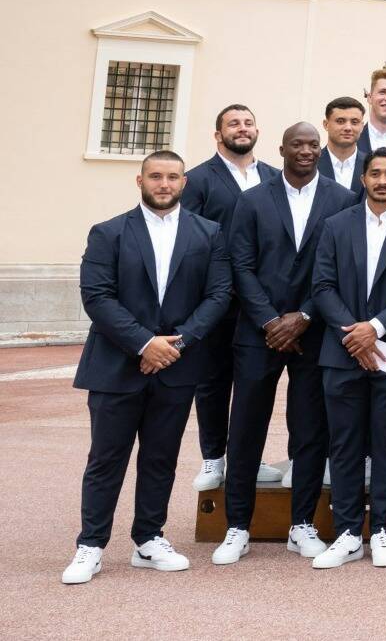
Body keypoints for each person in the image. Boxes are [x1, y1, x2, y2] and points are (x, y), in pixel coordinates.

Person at [61, 150, 233, 586]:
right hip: (117, 367)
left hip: (177, 363)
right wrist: (143, 342)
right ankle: (91, 545)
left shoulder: (209, 234)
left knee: (161, 458)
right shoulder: (108, 232)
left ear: (183, 183)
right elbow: (97, 297)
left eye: (172, 177)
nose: (164, 184)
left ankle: (149, 539)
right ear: (140, 181)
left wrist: (178, 343)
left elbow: (218, 295)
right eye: (155, 176)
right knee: (106, 459)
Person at [213, 122, 354, 566]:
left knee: (311, 430)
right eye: (299, 144)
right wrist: (271, 319)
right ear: (282, 149)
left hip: (315, 333)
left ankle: (302, 525)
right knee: (246, 428)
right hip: (259, 334)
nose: (307, 151)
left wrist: (305, 315)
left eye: (314, 144)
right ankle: (237, 526)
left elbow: (338, 269)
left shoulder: (342, 200)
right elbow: (240, 263)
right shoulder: (252, 200)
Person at [309, 148, 386, 569]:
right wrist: (354, 333)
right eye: (375, 173)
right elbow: (322, 286)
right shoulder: (334, 225)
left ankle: (383, 530)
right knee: (343, 444)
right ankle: (347, 533)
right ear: (362, 178)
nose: (383, 180)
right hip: (342, 350)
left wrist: (375, 329)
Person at [178, 104, 277, 493]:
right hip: (217, 299)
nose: (242, 128)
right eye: (233, 124)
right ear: (218, 134)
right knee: (213, 382)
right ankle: (213, 456)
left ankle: (246, 458)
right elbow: (190, 237)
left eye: (248, 122)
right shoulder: (198, 180)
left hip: (259, 301)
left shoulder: (272, 177)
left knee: (254, 386)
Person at [317, 96, 369, 195]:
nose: (348, 128)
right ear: (326, 124)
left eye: (354, 122)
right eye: (340, 121)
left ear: (362, 126)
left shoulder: (372, 165)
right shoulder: (312, 164)